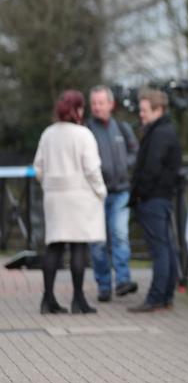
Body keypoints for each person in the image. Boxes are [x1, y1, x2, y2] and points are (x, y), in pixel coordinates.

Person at [33, 90, 107, 314]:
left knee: (54, 246)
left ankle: (48, 299)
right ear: (78, 109)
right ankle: (78, 299)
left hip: (54, 197)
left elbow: (38, 167)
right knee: (78, 246)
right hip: (79, 197)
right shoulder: (83, 135)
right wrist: (101, 191)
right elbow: (92, 169)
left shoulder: (48, 134)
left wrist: (49, 184)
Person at [128, 88, 182, 313]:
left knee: (160, 250)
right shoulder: (166, 131)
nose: (141, 114)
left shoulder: (159, 134)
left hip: (153, 198)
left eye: (144, 110)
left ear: (158, 109)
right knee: (167, 247)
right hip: (161, 196)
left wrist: (140, 193)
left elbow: (151, 168)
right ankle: (166, 296)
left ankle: (156, 297)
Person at [87, 85, 140, 302]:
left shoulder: (122, 127)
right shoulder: (87, 130)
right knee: (98, 242)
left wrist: (125, 165)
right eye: (94, 103)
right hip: (96, 194)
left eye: (101, 103)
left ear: (111, 104)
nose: (97, 107)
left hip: (121, 192)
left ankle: (123, 280)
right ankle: (104, 285)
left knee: (120, 236)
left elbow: (135, 151)